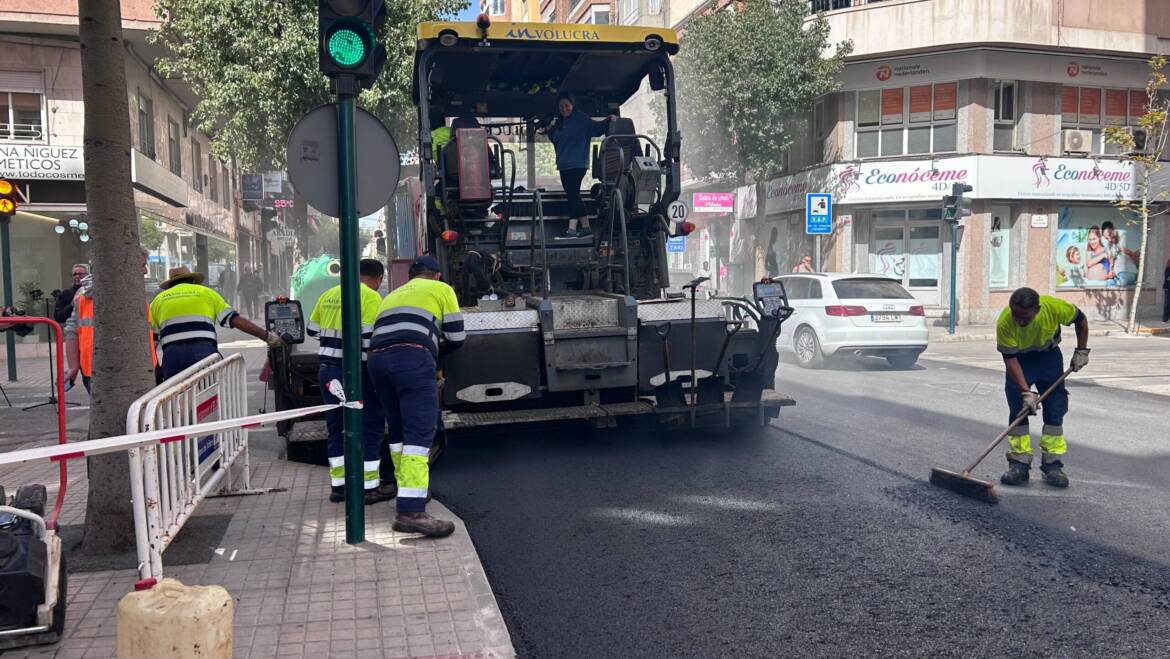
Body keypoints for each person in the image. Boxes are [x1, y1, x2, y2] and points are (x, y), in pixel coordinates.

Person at [368, 256, 464, 537]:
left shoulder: (392, 295)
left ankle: (407, 490)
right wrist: (432, 352)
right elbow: (457, 337)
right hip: (411, 358)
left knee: (397, 430)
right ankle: (411, 511)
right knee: (419, 433)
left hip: (377, 360)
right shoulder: (441, 289)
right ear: (435, 276)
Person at [307, 258, 394, 505]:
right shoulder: (371, 297)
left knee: (336, 428)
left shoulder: (328, 294)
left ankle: (339, 487)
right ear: (377, 278)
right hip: (357, 373)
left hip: (327, 371)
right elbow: (369, 337)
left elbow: (312, 330)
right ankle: (369, 488)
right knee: (371, 425)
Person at [996, 287, 1090, 488]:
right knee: (1019, 409)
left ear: (1037, 310)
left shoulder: (1054, 308)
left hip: (1049, 358)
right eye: (1016, 315)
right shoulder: (1005, 322)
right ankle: (1018, 465)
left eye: (1025, 317)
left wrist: (1081, 351)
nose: (1019, 321)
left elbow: (1081, 320)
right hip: (1019, 360)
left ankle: (1053, 465)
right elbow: (1010, 359)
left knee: (1055, 409)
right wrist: (1026, 391)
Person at [150, 266, 282, 379]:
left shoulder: (157, 301)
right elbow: (235, 320)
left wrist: (156, 368)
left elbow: (153, 341)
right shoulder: (207, 293)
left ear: (171, 284)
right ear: (192, 280)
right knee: (206, 397)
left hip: (173, 356)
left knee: (175, 399)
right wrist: (267, 337)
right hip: (203, 353)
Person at [65, 252, 157, 393]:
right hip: (127, 369)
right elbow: (72, 331)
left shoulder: (83, 295)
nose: (145, 271)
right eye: (142, 265)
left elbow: (72, 331)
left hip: (99, 369)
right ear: (123, 265)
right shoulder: (87, 296)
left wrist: (73, 366)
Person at [539, 93, 616, 240]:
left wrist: (609, 119)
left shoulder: (581, 119)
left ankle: (572, 230)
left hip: (578, 164)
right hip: (563, 165)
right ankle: (586, 228)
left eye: (567, 106)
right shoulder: (559, 123)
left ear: (572, 106)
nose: (564, 109)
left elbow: (597, 128)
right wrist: (549, 127)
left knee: (573, 196)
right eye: (561, 106)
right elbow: (553, 138)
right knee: (573, 196)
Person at [1162, 258, 1170, 323]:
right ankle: (1165, 319)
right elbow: (1168, 278)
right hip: (1168, 288)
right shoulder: (1168, 269)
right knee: (1167, 303)